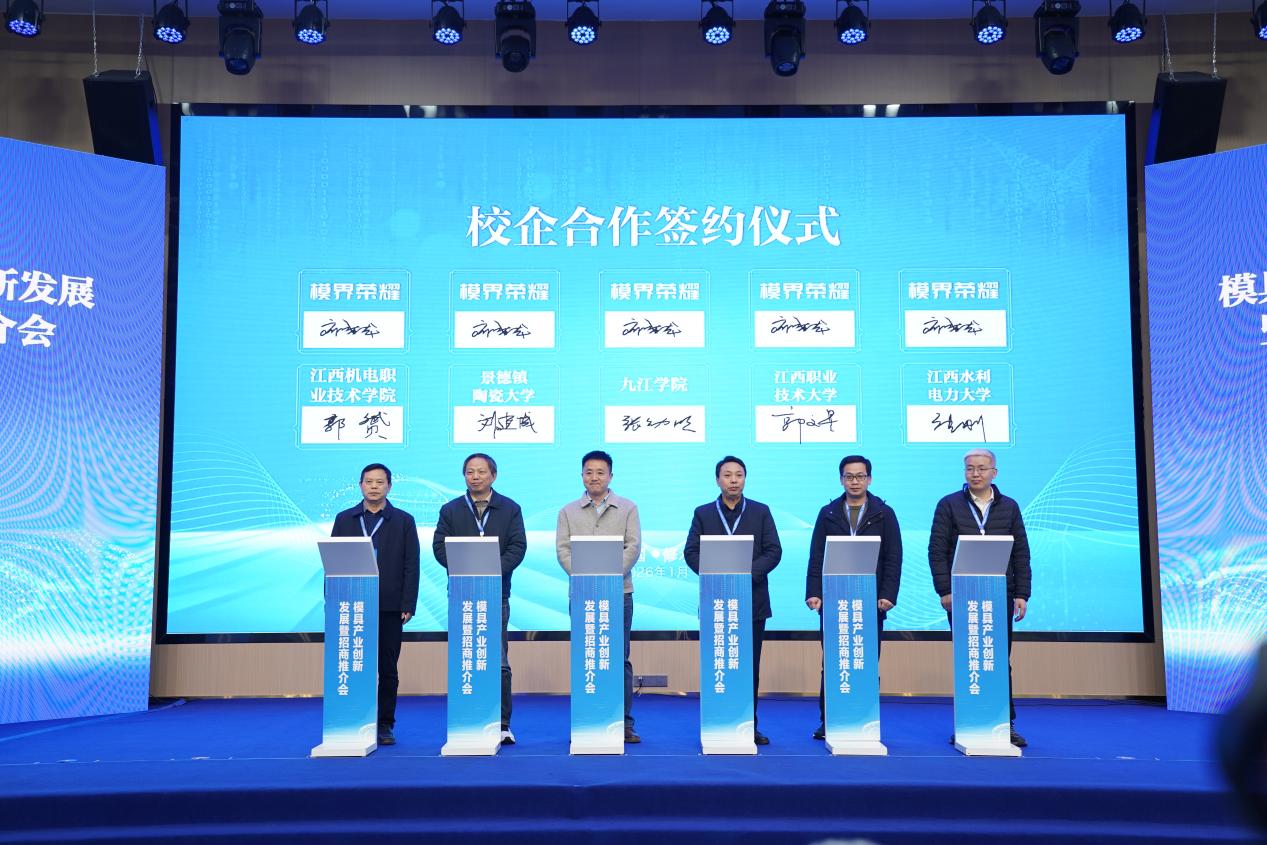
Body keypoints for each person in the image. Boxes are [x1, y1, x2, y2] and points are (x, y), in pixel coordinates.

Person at [928, 447, 1031, 748]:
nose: (976, 474)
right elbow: (937, 551)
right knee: (969, 659)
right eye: (970, 468)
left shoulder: (1009, 506)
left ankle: (1005, 724)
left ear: (994, 472)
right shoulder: (949, 504)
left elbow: (1021, 552)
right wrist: (944, 590)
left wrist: (1022, 593)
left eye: (982, 468)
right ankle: (968, 723)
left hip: (1000, 594)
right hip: (962, 596)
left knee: (999, 661)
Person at [683, 455, 782, 745]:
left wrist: (745, 575)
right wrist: (714, 575)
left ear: (745, 479)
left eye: (739, 475)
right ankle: (717, 722)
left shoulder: (760, 511)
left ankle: (749, 725)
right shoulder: (703, 513)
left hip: (752, 602)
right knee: (719, 665)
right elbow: (691, 552)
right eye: (727, 475)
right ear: (718, 480)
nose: (733, 480)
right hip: (716, 603)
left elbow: (773, 551)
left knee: (748, 667)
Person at [804, 455, 903, 740]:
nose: (855, 481)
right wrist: (813, 592)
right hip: (833, 598)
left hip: (870, 600)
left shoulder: (884, 513)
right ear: (841, 480)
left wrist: (888, 594)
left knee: (865, 660)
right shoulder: (828, 513)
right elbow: (816, 556)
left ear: (869, 479)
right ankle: (829, 720)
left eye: (860, 476)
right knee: (833, 661)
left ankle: (865, 717)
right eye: (849, 476)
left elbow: (893, 557)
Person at [433, 453, 526, 745]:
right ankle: (467, 718)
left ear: (493, 476)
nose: (475, 477)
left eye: (481, 472)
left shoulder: (510, 508)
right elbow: (439, 547)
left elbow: (518, 547)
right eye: (470, 472)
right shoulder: (451, 509)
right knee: (466, 658)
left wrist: (491, 570)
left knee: (497, 659)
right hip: (462, 595)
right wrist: (465, 569)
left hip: (496, 595)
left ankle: (502, 723)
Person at [556, 450, 643, 743]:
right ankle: (586, 719)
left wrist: (608, 576)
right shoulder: (567, 511)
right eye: (589, 472)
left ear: (610, 476)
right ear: (582, 476)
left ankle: (624, 723)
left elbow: (633, 547)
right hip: (582, 594)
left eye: (600, 472)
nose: (594, 477)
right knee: (586, 656)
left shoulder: (628, 508)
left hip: (619, 593)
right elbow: (563, 550)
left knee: (618, 657)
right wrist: (584, 576)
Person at [330, 463, 420, 747]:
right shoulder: (345, 519)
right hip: (352, 605)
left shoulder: (403, 521)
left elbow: (411, 563)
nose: (374, 486)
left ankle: (384, 724)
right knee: (354, 664)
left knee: (387, 669)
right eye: (368, 481)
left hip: (389, 606)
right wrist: (332, 599)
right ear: (360, 485)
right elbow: (333, 561)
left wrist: (408, 602)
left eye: (380, 482)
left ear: (389, 487)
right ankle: (355, 719)